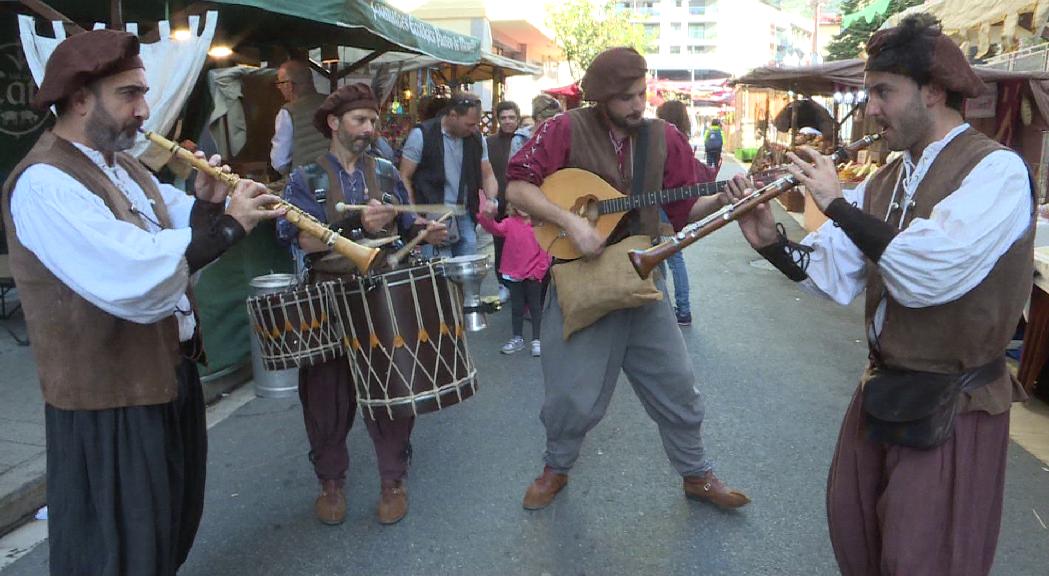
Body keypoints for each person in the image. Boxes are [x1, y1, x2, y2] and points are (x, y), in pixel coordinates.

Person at [726, 15, 1032, 575]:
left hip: (952, 405)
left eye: (883, 92)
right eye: (870, 93)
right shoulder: (889, 178)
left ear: (934, 92)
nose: (870, 109)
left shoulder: (998, 171)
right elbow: (835, 270)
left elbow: (925, 274)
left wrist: (837, 204)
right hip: (884, 391)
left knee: (925, 559)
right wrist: (772, 242)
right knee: (860, 540)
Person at [1, 29, 282, 574]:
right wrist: (229, 229)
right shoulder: (44, 181)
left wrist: (210, 204)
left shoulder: (122, 165)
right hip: (107, 402)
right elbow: (134, 271)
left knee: (168, 527)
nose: (144, 109)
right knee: (117, 551)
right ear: (81, 99)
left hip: (163, 379)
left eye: (143, 93)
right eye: (130, 94)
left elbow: (175, 227)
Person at [505, 46, 750, 511]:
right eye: (625, 99)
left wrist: (723, 199)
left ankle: (696, 473)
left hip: (641, 280)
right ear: (600, 100)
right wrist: (571, 221)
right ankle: (556, 467)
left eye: (641, 94)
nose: (638, 106)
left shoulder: (665, 137)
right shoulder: (563, 128)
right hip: (580, 281)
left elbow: (684, 209)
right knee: (570, 398)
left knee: (677, 384)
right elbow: (518, 185)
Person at [277, 83, 448, 526]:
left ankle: (393, 479)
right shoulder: (305, 178)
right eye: (360, 120)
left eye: (373, 121)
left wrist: (427, 231)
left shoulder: (389, 173)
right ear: (334, 123)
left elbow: (410, 229)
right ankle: (331, 482)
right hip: (329, 295)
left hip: (381, 293)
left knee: (392, 389)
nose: (369, 129)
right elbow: (301, 240)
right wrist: (354, 218)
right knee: (325, 396)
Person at [399, 91, 499, 257]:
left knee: (468, 276)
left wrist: (491, 200)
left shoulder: (476, 139)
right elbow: (404, 177)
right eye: (469, 124)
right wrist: (413, 215)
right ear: (453, 115)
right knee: (439, 275)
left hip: (465, 215)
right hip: (433, 217)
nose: (474, 128)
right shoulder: (421, 135)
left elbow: (488, 174)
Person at [655, 100, 714, 326]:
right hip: (672, 205)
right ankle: (681, 308)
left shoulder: (664, 138)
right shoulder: (681, 139)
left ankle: (678, 308)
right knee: (671, 257)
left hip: (661, 206)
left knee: (666, 257)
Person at [477, 193, 550, 357]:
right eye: (519, 204)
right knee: (516, 308)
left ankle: (536, 340)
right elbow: (494, 228)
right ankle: (517, 338)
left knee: (535, 308)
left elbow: (546, 253)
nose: (523, 208)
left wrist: (538, 272)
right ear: (513, 205)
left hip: (532, 275)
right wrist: (485, 216)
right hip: (514, 274)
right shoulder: (509, 223)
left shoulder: (539, 227)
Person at [487, 100, 529, 302]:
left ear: (518, 118)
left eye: (511, 117)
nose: (507, 121)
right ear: (498, 120)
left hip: (522, 202)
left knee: (524, 245)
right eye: (503, 118)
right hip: (498, 201)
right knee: (500, 246)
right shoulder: (489, 143)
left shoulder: (526, 140)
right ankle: (503, 284)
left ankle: (524, 284)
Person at [270, 59, 327, 175]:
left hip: (306, 182)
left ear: (289, 85)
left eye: (280, 83)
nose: (279, 88)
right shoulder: (332, 103)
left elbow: (279, 161)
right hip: (337, 176)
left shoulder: (288, 112)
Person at [509, 94, 563, 159]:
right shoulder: (520, 140)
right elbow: (514, 167)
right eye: (552, 120)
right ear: (539, 117)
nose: (555, 123)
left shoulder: (558, 136)